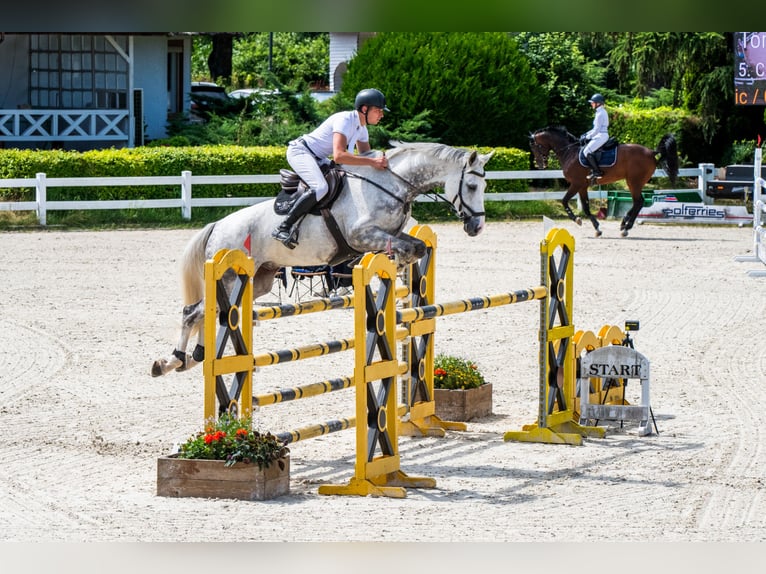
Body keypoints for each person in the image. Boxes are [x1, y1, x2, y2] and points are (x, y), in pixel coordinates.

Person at [272, 88, 391, 248]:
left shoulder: (361, 129)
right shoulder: (345, 120)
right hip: (300, 152)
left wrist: (385, 163)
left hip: (319, 158)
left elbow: (367, 156)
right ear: (364, 109)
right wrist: (373, 162)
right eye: (378, 110)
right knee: (320, 187)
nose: (381, 115)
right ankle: (284, 227)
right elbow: (339, 156)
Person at [580, 93, 609, 180]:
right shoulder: (600, 112)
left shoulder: (600, 114)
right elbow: (594, 129)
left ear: (598, 103)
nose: (591, 104)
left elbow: (596, 130)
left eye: (593, 103)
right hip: (600, 134)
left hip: (601, 135)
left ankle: (597, 172)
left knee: (586, 151)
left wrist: (587, 137)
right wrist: (586, 134)